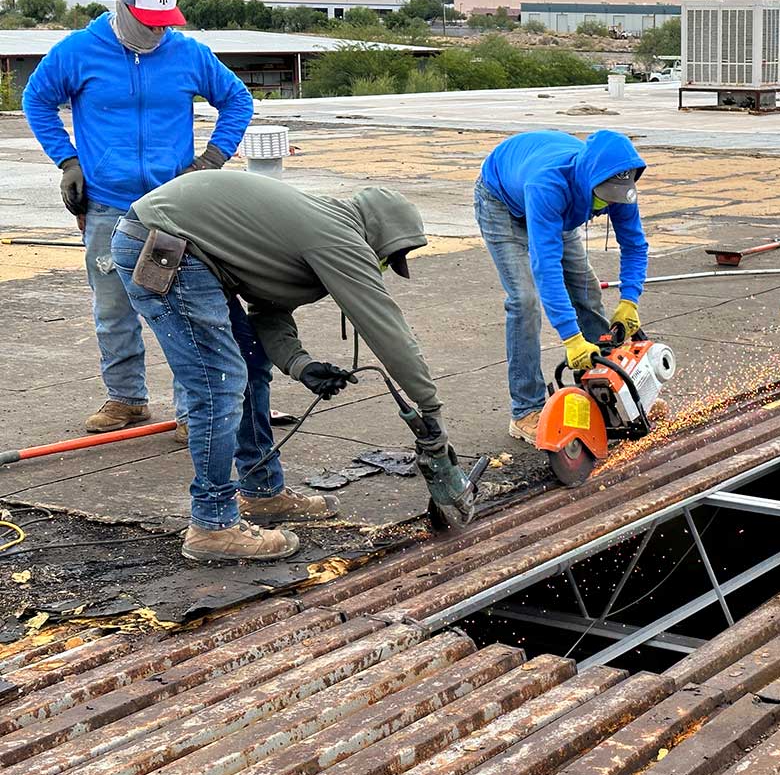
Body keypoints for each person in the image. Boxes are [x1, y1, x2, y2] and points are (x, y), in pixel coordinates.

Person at [111, 170, 467, 564]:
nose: (381, 267)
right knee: (219, 384)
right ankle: (211, 525)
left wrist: (302, 365)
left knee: (248, 362)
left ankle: (262, 493)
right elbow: (387, 329)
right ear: (378, 235)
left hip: (188, 250)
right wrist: (430, 409)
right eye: (386, 258)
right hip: (166, 246)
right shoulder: (338, 235)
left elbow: (268, 308)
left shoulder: (318, 226)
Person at [22, 0, 254, 438]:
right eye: (147, 19)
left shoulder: (188, 54)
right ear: (121, 5)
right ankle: (126, 398)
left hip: (173, 209)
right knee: (113, 308)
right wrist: (68, 161)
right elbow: (36, 99)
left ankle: (194, 412)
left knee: (184, 309)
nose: (157, 29)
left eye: (164, 20)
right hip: (108, 206)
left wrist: (212, 158)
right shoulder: (77, 52)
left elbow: (237, 100)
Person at [475, 130, 650, 444]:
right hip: (502, 202)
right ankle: (525, 410)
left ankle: (610, 391)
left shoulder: (618, 186)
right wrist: (571, 338)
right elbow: (547, 267)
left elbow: (635, 246)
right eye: (603, 197)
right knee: (524, 301)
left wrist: (630, 300)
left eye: (614, 197)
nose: (606, 205)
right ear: (589, 178)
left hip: (561, 208)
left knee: (587, 291)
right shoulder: (549, 184)